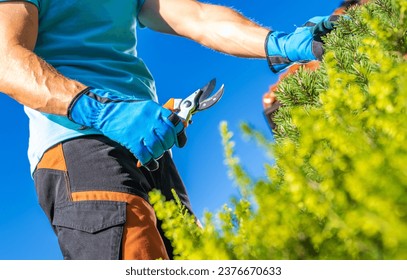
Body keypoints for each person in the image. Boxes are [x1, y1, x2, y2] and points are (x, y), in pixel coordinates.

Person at [0, 0, 338, 259]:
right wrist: (103, 111)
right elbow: (6, 61)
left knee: (198, 257)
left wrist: (278, 43)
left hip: (148, 146)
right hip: (80, 145)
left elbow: (199, 18)